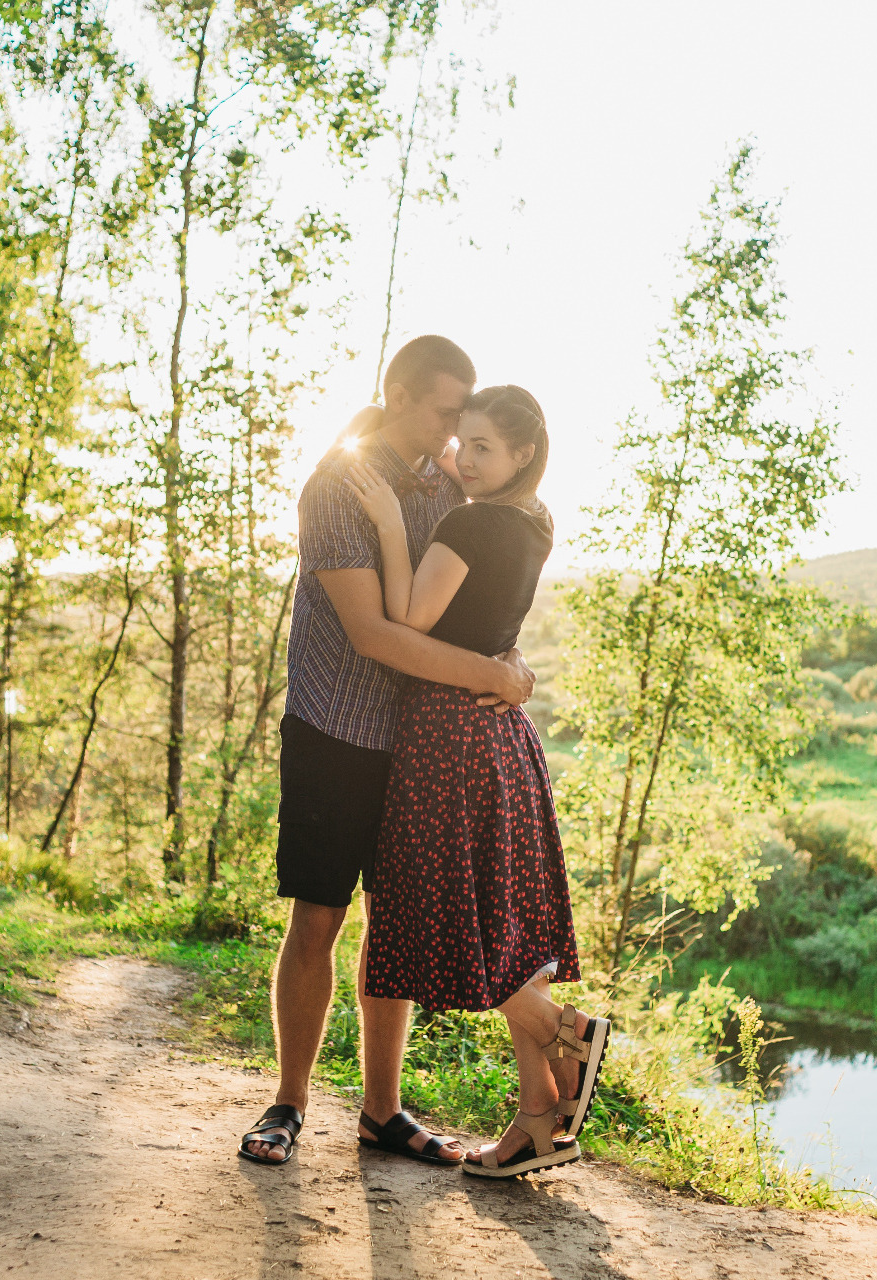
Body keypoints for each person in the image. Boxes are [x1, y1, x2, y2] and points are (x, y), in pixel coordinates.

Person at [238, 337, 536, 1169]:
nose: (458, 429)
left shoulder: (450, 484)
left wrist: (511, 661)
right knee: (319, 916)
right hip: (335, 731)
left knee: (393, 925)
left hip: (417, 746)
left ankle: (382, 1114)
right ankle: (289, 1104)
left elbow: (466, 593)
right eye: (448, 411)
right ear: (399, 396)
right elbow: (374, 633)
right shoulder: (339, 485)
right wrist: (489, 674)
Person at [345, 385, 607, 1179]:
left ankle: (563, 1027)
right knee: (505, 921)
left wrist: (392, 524)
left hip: (446, 736)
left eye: (484, 447)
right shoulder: (535, 520)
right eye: (462, 442)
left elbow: (408, 617)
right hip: (500, 732)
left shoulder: (467, 522)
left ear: (523, 454)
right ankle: (537, 1121)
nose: (463, 457)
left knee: (449, 915)